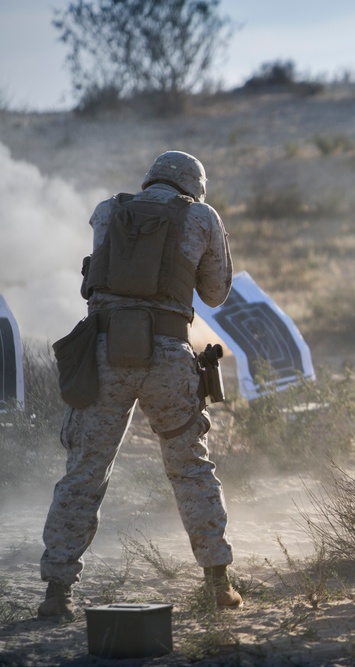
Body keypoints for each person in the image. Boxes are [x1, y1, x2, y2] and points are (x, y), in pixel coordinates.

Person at [38, 151, 241, 619]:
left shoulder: (107, 210)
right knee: (190, 468)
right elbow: (215, 293)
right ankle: (219, 584)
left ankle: (57, 593)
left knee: (85, 472)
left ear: (151, 179)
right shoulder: (202, 216)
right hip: (167, 356)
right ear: (193, 186)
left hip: (104, 352)